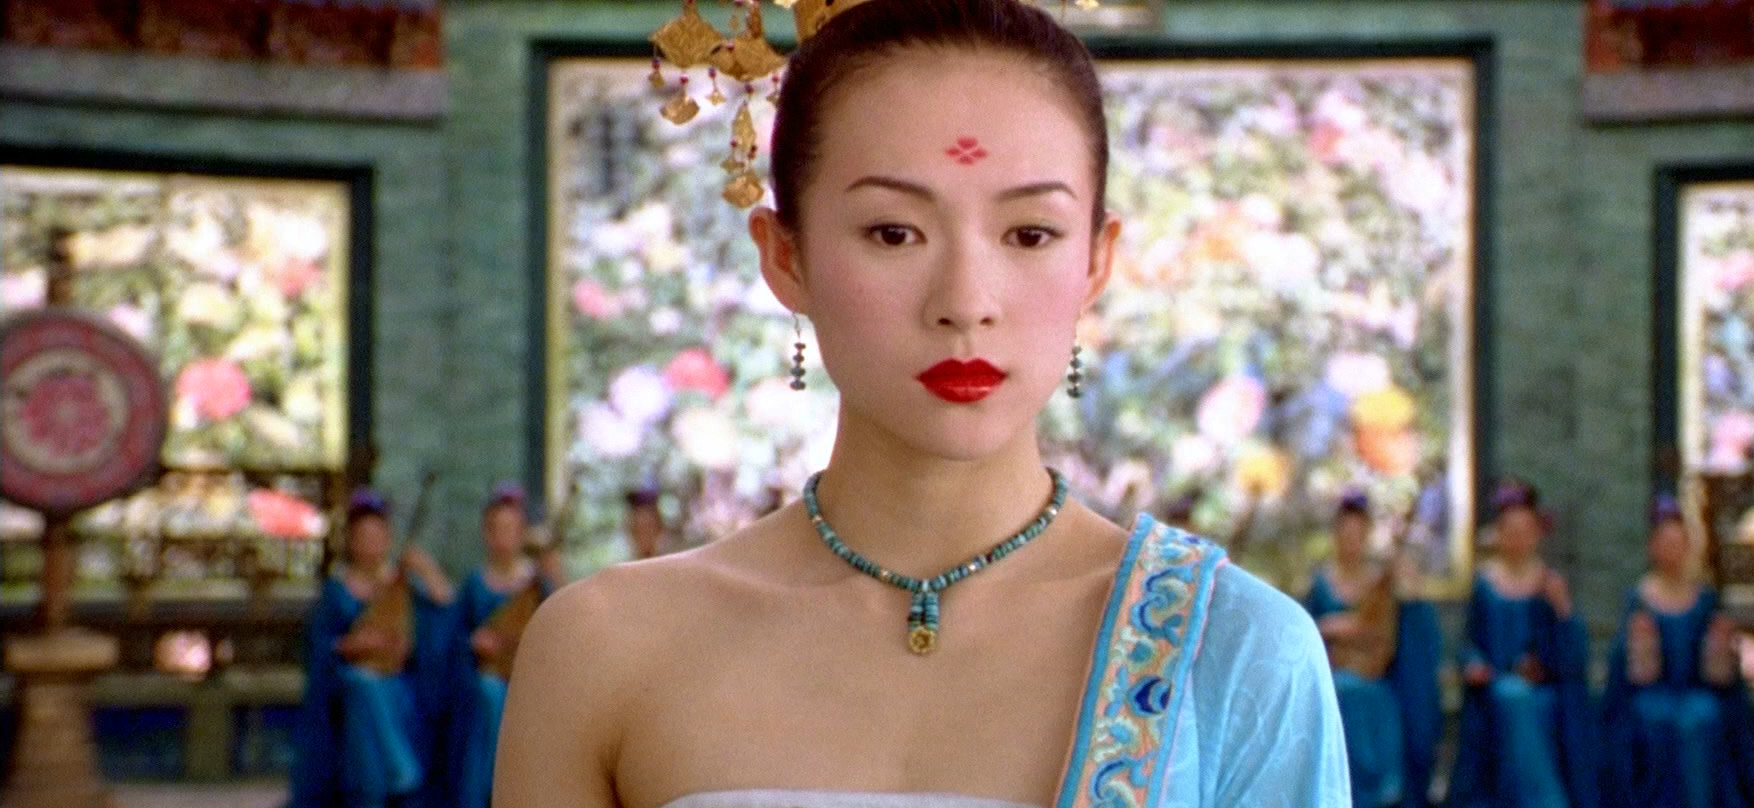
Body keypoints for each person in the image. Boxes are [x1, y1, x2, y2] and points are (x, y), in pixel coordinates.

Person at [492, 0, 1350, 804]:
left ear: (1095, 259)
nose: (965, 301)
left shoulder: (1234, 652)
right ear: (785, 256)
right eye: (894, 232)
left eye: (1030, 234)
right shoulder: (605, 649)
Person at [1600, 496, 1754, 808]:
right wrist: (1638, 647)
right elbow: (1623, 671)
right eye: (1665, 543)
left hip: (1696, 693)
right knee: (1656, 718)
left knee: (1700, 717)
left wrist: (1720, 648)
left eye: (1678, 543)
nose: (1672, 550)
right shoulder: (1640, 599)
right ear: (1653, 547)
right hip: (1653, 695)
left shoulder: (1704, 598)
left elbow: (1723, 674)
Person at [288, 488, 454, 808]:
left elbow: (445, 613)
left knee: (370, 697)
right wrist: (352, 645)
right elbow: (318, 647)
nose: (371, 543)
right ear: (352, 540)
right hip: (346, 690)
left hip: (398, 689)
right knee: (360, 686)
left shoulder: (400, 585)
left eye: (377, 535)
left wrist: (425, 569)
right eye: (364, 536)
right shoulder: (337, 590)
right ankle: (401, 771)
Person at [1446, 480, 1599, 808]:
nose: (1518, 539)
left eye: (1525, 531)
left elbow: (1572, 655)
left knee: (1524, 699)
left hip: (1541, 691)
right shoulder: (1486, 584)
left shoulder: (1549, 584)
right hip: (1493, 687)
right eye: (1510, 531)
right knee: (1509, 695)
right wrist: (1473, 664)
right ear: (1499, 534)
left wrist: (1563, 610)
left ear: (1537, 535)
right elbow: (1468, 643)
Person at [1302, 491, 1443, 808]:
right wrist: (1329, 627)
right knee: (1344, 691)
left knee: (1370, 698)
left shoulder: (1380, 584)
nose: (1351, 542)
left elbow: (1404, 637)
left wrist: (1366, 627)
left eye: (1357, 534)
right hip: (1330, 679)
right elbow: (1304, 634)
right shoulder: (1321, 583)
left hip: (1377, 681)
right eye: (1345, 534)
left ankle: (1381, 789)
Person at [448, 483, 564, 808]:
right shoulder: (474, 584)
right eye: (497, 529)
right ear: (486, 533)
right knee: (488, 694)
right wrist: (473, 643)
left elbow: (559, 630)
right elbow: (452, 642)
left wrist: (556, 579)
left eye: (511, 529)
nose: (503, 537)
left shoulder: (536, 582)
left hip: (528, 685)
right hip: (479, 688)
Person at [626, 486, 665, 561]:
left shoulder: (674, 565)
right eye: (638, 531)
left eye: (649, 529)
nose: (644, 537)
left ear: (659, 530)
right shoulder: (623, 567)